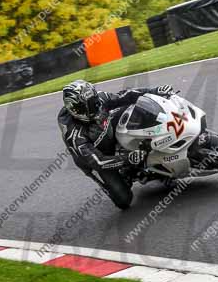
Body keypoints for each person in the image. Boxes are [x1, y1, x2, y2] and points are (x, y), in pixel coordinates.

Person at [58, 79, 175, 209]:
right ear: (76, 109)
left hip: (106, 130)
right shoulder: (74, 135)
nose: (96, 106)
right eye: (90, 104)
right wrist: (127, 159)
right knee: (124, 200)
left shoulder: (100, 100)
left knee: (136, 108)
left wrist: (154, 91)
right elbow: (99, 162)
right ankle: (127, 173)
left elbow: (125, 95)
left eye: (94, 101)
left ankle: (164, 134)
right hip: (95, 159)